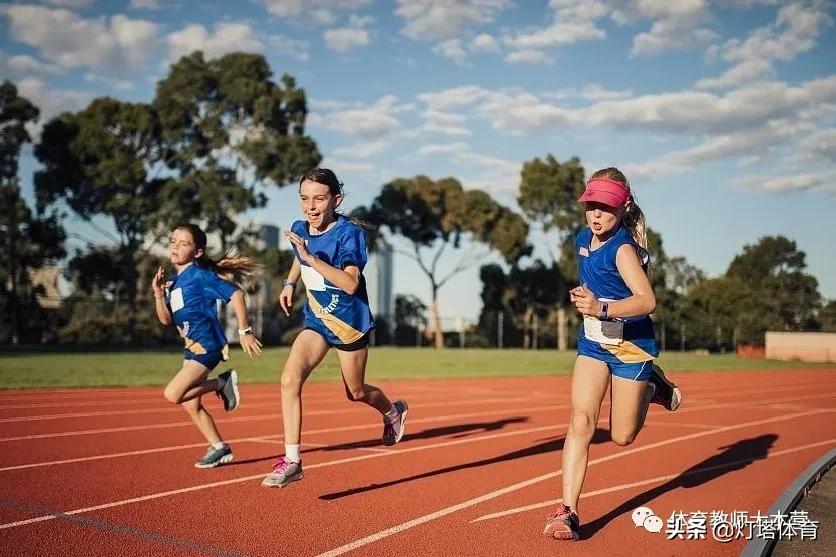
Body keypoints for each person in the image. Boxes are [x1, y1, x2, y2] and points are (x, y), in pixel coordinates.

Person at [543, 167, 682, 540]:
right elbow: (597, 284)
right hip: (593, 344)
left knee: (621, 436)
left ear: (622, 209)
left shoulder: (622, 249)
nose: (597, 214)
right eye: (591, 206)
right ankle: (568, 510)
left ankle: (653, 383)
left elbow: (647, 300)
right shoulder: (582, 239)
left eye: (605, 207)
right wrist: (585, 298)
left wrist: (600, 307)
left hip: (632, 348)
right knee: (580, 421)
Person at [261, 168, 408, 489]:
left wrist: (310, 258)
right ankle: (293, 461)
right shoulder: (301, 228)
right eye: (304, 198)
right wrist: (289, 282)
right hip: (317, 321)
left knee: (355, 392)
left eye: (319, 198)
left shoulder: (348, 235)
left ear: (335, 199)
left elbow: (351, 283)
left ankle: (392, 411)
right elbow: (299, 257)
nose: (310, 206)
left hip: (349, 325)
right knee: (289, 379)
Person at [152, 223, 263, 469]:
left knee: (173, 395)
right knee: (191, 404)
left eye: (184, 243)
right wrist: (159, 295)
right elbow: (165, 320)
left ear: (198, 252)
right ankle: (218, 447)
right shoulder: (174, 283)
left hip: (207, 345)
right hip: (191, 347)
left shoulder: (200, 276)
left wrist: (245, 331)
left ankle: (221, 383)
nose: (176, 247)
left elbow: (236, 294)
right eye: (173, 242)